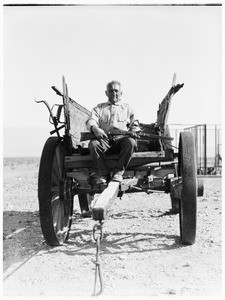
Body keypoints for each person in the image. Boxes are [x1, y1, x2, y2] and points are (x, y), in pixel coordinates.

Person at [86, 80, 140, 183]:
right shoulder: (99, 108)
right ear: (106, 93)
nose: (114, 93)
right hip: (104, 141)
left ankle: (118, 173)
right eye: (110, 91)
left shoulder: (128, 108)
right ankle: (104, 175)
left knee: (131, 142)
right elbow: (91, 120)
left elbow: (135, 125)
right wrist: (95, 129)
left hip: (121, 142)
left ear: (121, 93)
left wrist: (134, 132)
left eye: (116, 91)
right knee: (93, 144)